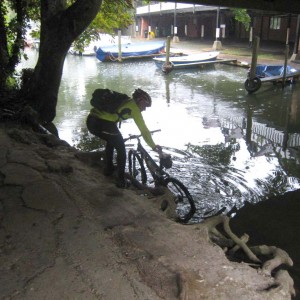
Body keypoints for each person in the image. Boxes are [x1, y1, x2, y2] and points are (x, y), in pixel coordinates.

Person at [86, 88, 162, 188]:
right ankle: (121, 181)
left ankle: (109, 169)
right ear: (139, 100)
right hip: (99, 123)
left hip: (94, 121)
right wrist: (153, 146)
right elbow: (144, 130)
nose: (145, 108)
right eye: (144, 105)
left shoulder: (128, 101)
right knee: (121, 149)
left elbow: (114, 115)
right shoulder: (134, 108)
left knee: (112, 141)